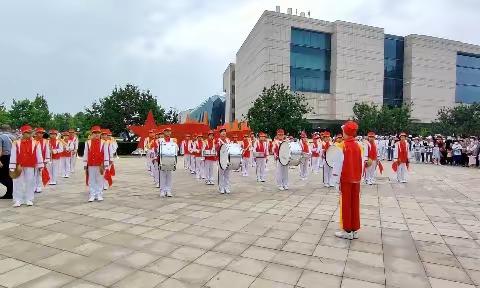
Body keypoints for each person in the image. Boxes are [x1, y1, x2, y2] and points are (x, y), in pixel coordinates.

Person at [331, 120, 363, 240]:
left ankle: (347, 230)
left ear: (345, 132)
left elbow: (337, 166)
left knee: (346, 205)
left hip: (345, 179)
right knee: (355, 204)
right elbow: (362, 163)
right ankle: (354, 229)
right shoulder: (359, 146)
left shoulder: (341, 146)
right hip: (356, 180)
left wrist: (335, 181)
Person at [9, 125, 44, 207]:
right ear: (23, 133)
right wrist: (12, 167)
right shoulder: (16, 143)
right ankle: (18, 199)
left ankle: (29, 199)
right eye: (27, 133)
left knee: (30, 181)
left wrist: (40, 165)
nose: (30, 134)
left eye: (30, 133)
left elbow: (39, 154)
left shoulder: (36, 143)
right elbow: (13, 155)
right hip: (19, 165)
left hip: (31, 165)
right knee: (17, 182)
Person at [83, 126, 109, 202]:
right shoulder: (88, 142)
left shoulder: (104, 142)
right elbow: (85, 153)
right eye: (94, 133)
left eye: (98, 133)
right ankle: (92, 195)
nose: (96, 134)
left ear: (100, 134)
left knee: (100, 179)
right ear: (92, 134)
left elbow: (106, 153)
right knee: (91, 180)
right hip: (91, 164)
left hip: (100, 164)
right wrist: (85, 164)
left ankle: (99, 194)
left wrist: (106, 164)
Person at [158, 128, 177, 197]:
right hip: (162, 159)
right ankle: (162, 190)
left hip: (170, 159)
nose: (168, 133)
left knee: (169, 176)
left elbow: (176, 150)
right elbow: (156, 149)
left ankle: (168, 190)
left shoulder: (173, 141)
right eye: (166, 131)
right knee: (162, 176)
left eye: (169, 132)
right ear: (164, 133)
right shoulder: (160, 140)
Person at [33, 128, 50, 193]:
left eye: (42, 133)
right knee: (34, 174)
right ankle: (34, 186)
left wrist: (46, 160)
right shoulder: (33, 140)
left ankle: (38, 186)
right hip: (33, 160)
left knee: (40, 174)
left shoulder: (45, 141)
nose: (41, 134)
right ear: (36, 133)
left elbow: (47, 151)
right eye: (39, 133)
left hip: (42, 160)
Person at [0, 124, 14, 199]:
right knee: (9, 176)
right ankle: (10, 192)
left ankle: (9, 193)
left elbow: (0, 150)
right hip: (12, 157)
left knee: (3, 176)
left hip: (4, 158)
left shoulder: (1, 137)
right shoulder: (13, 137)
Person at [216, 128, 231, 194]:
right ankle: (221, 187)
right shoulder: (218, 140)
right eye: (222, 132)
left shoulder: (228, 140)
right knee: (221, 174)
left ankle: (226, 187)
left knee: (227, 174)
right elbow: (216, 149)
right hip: (221, 159)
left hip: (228, 159)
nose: (223, 133)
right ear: (220, 133)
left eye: (224, 132)